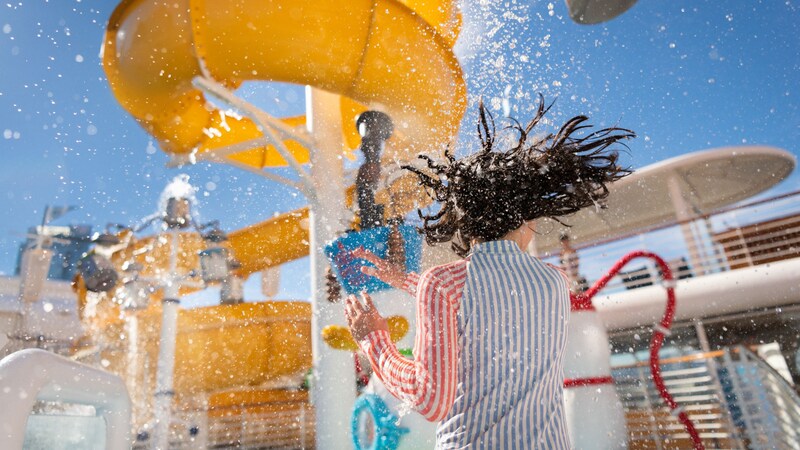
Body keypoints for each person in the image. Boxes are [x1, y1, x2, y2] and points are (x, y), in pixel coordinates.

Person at [344, 96, 633, 449]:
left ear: (465, 221)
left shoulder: (443, 285)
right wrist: (404, 279)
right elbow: (489, 300)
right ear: (527, 219)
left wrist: (374, 340)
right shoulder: (554, 282)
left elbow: (431, 400)